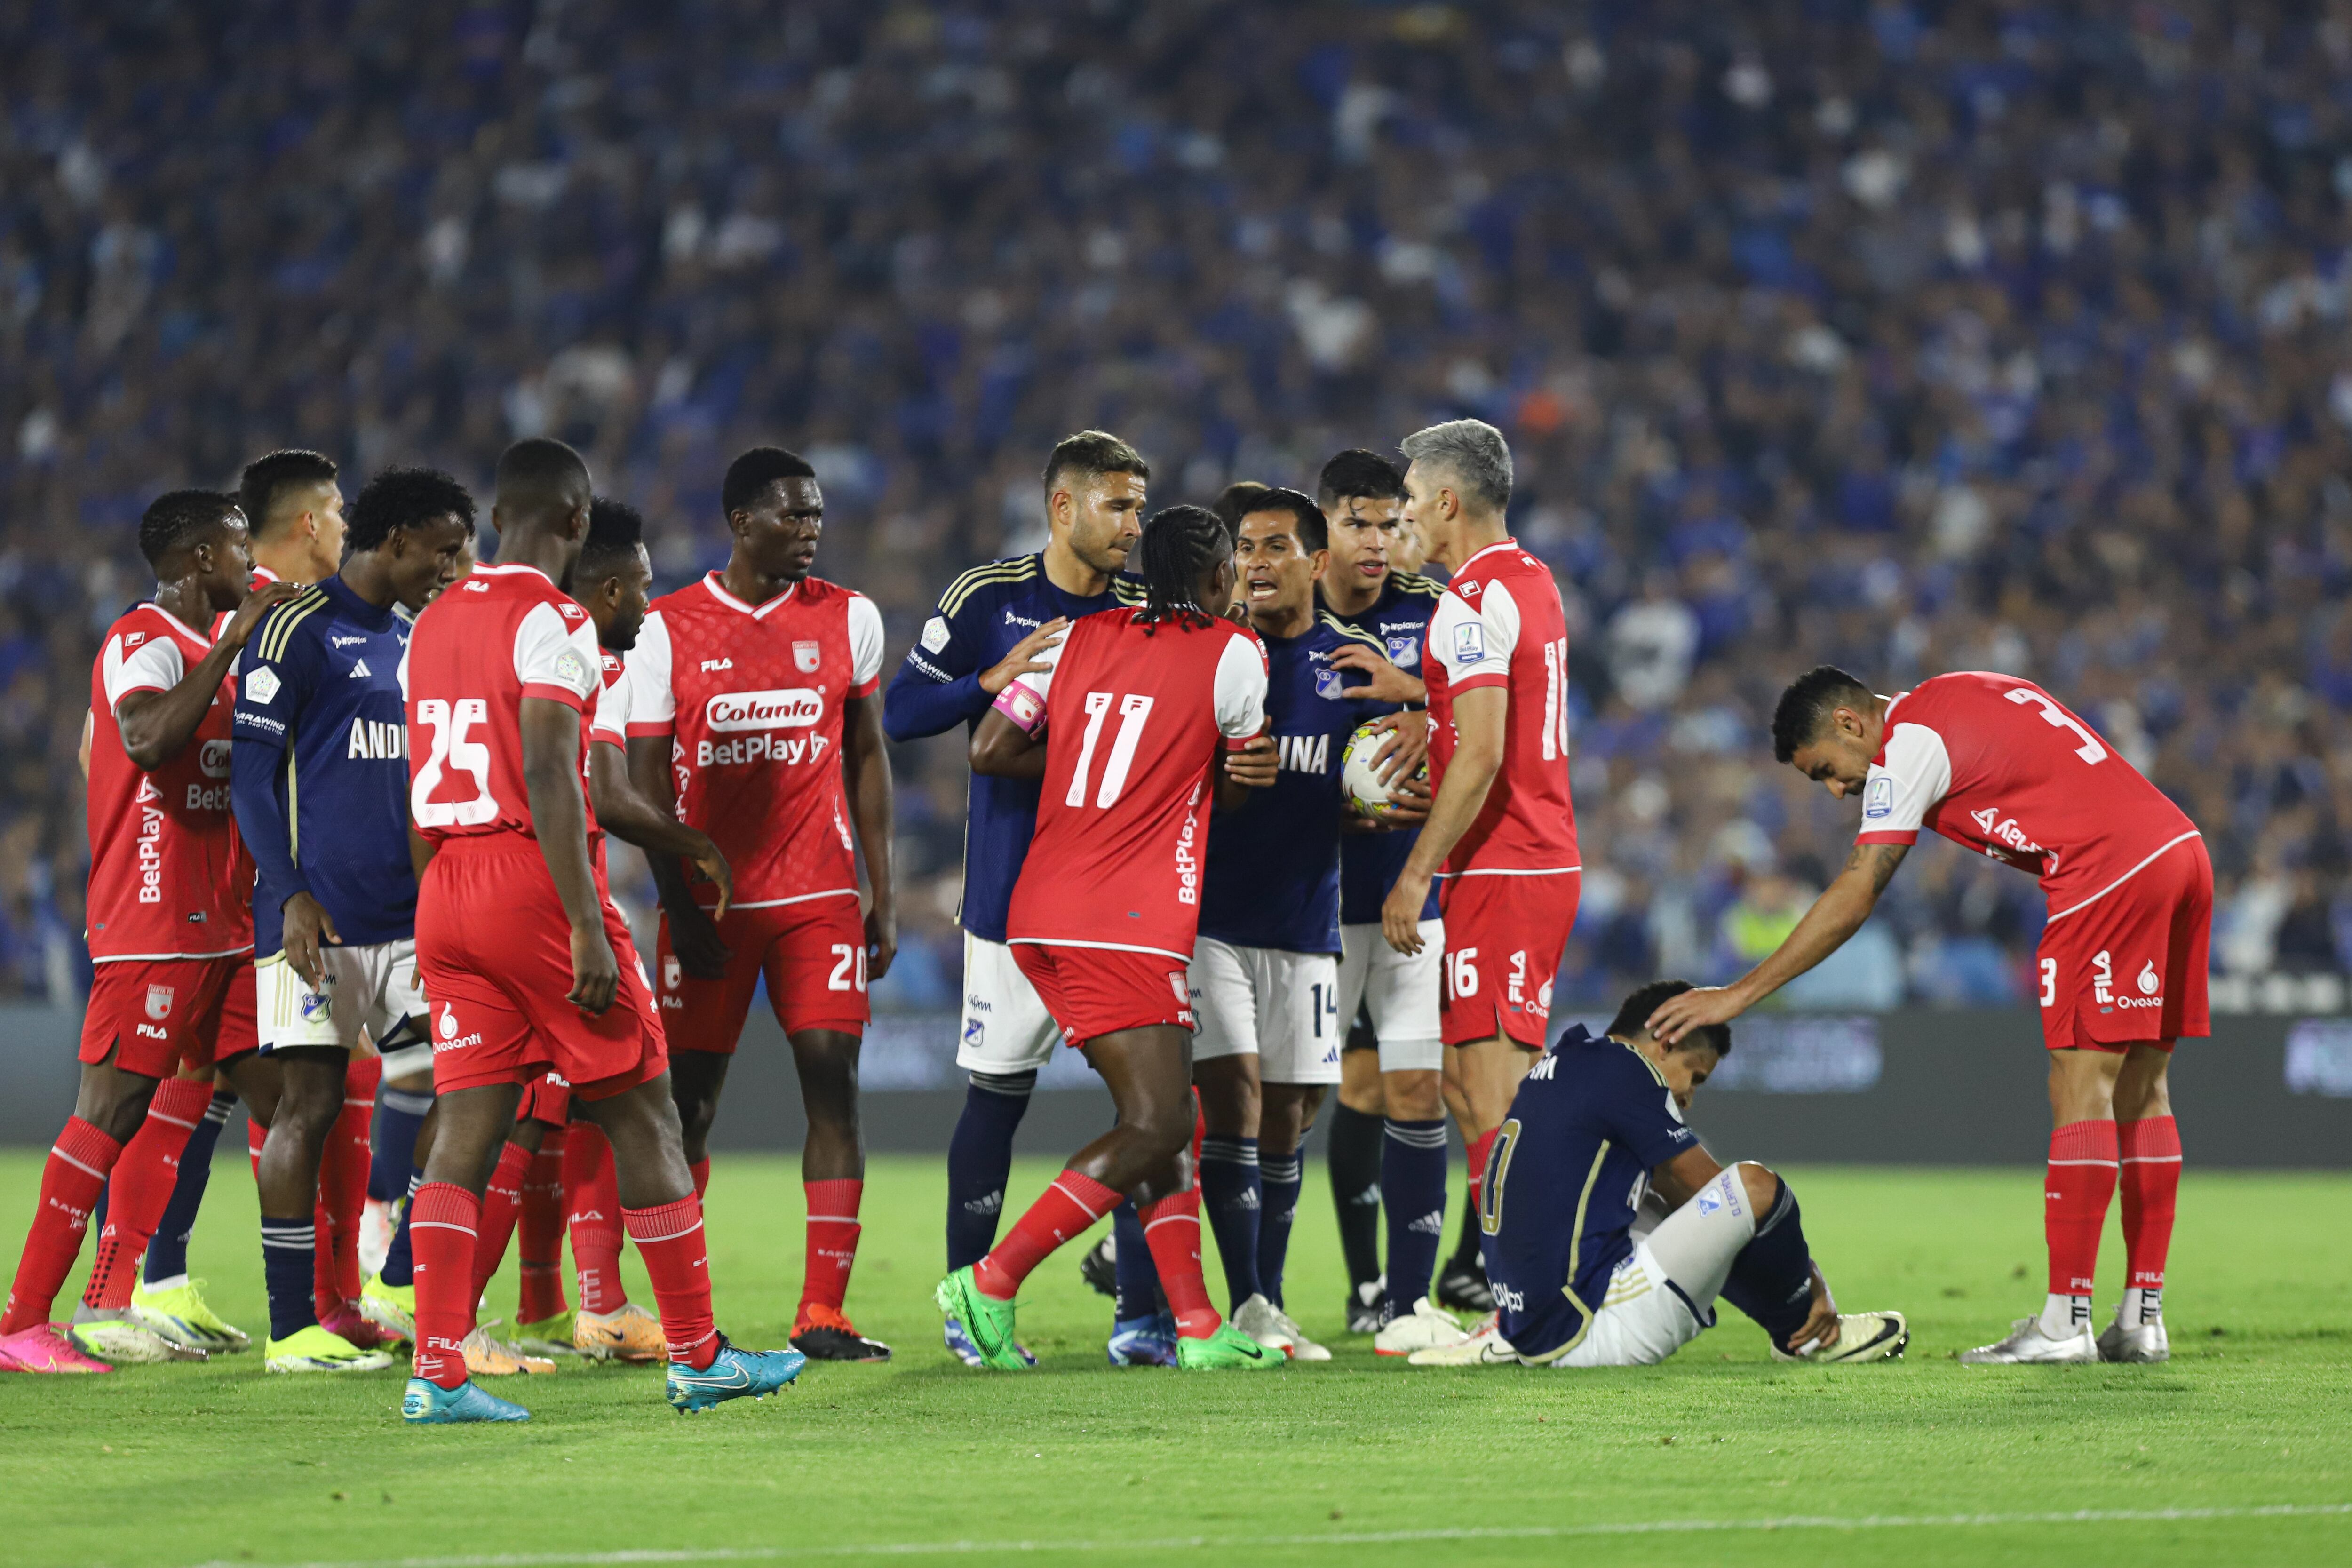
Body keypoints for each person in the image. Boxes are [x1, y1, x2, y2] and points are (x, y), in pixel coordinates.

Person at [398, 436, 802, 1423]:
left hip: (446, 878)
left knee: (465, 1128)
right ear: (578, 523)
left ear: (498, 518)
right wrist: (584, 919)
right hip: (531, 878)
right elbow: (551, 770)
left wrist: (436, 910)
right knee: (645, 1110)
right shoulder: (555, 619)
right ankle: (699, 1355)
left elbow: (415, 785)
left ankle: (438, 1368)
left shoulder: (432, 619)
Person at [1649, 665, 2211, 1366]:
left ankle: (2065, 1323)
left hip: (2107, 873)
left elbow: (1858, 890)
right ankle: (2141, 1318)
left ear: (1850, 723)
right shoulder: (1964, 689)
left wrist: (1736, 994)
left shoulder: (1907, 741)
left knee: (2080, 1086)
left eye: (1825, 769)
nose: (1835, 790)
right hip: (2177, 852)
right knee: (2143, 1090)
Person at [935, 503, 1282, 1371]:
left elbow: (989, 746)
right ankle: (990, 1282)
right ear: (1218, 579)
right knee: (1160, 1121)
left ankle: (1196, 1325)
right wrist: (1204, 776)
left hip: (1039, 910)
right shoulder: (1235, 651)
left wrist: (1099, 770)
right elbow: (1242, 782)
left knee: (1163, 1118)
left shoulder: (1075, 638)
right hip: (1125, 920)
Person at [881, 430, 1173, 1367]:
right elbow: (900, 711)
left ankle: (1141, 1315)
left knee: (1150, 1110)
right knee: (997, 1095)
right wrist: (989, 679)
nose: (1133, 524)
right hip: (1010, 898)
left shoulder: (1148, 609)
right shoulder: (988, 596)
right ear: (1062, 506)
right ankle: (969, 1304)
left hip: (1124, 906)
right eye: (1117, 505)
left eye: (1139, 507)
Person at [0, 492, 301, 1373]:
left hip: (225, 928)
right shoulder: (145, 638)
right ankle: (23, 1322)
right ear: (202, 557)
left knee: (285, 1100)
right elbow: (137, 738)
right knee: (110, 1110)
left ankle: (119, 1300)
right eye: (239, 547)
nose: (252, 563)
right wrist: (236, 644)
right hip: (154, 922)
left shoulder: (215, 651)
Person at [621, 446, 896, 1363]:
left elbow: (867, 752)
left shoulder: (850, 617)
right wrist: (676, 899)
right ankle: (687, 1322)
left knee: (834, 1087)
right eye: (792, 514)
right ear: (741, 522)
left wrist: (883, 890)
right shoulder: (666, 628)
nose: (810, 529)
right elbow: (645, 778)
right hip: (710, 901)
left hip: (820, 896)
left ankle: (823, 1311)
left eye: (816, 514)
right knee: (688, 1107)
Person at [230, 466, 473, 1372]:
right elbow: (252, 778)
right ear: (397, 540)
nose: (450, 569)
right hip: (314, 923)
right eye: (442, 551)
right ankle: (292, 1326)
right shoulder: (294, 628)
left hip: (413, 921)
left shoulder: (418, 637)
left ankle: (399, 1277)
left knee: (463, 1088)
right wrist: (289, 890)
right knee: (309, 1105)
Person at [1374, 420, 1582, 1357]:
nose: (1405, 516)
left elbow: (1488, 748)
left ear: (1449, 501)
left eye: (1413, 498)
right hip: (1524, 862)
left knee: (1494, 1101)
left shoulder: (1465, 601)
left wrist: (1416, 870)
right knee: (1470, 1091)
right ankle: (1521, 1295)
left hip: (1506, 865)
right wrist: (1429, 709)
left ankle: (1526, 1311)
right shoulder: (1528, 578)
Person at [1411, 980, 1907, 1369]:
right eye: (1695, 1075)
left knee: (1667, 1199)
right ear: (1666, 1039)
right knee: (1756, 1187)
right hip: (1583, 1332)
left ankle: (1501, 1330)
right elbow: (1724, 1193)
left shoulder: (1569, 1059)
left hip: (1527, 1320)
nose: (1688, 1096)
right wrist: (1809, 1276)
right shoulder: (1628, 1071)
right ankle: (1810, 1336)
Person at [1189, 487, 1396, 1361]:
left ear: (1316, 561)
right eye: (1245, 548)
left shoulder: (1351, 663)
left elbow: (1386, 769)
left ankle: (1264, 1299)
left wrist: (1381, 799)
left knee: (1290, 1113)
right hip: (1211, 919)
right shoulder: (1211, 653)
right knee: (1233, 1097)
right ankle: (1243, 1302)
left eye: (1276, 546)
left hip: (1310, 922)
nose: (1256, 563)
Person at [1310, 448, 1482, 1333]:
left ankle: (1409, 1303)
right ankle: (1326, 1290)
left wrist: (1422, 700)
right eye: (1357, 523)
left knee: (1415, 1090)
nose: (1377, 541)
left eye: (1390, 522)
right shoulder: (1282, 613)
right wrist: (1333, 801)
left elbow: (1490, 717)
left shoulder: (1435, 610)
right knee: (1301, 1102)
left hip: (1416, 902)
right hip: (1309, 909)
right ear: (1324, 526)